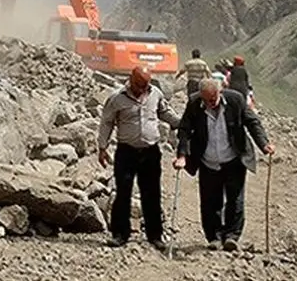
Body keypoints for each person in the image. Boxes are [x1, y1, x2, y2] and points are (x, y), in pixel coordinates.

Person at [173, 77, 275, 251]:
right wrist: (182, 155)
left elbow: (252, 122)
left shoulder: (236, 100)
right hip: (207, 160)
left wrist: (264, 144)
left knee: (235, 199)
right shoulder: (195, 103)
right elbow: (184, 129)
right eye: (205, 100)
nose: (209, 103)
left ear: (220, 92)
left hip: (233, 158)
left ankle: (232, 236)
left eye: (212, 99)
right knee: (209, 201)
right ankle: (214, 236)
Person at [97, 65, 182, 251]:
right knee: (123, 192)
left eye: (145, 85)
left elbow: (164, 112)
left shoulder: (155, 94)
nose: (142, 89)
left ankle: (155, 236)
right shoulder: (117, 98)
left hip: (150, 152)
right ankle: (120, 234)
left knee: (152, 193)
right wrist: (102, 147)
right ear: (131, 80)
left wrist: (181, 124)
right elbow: (107, 122)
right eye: (138, 85)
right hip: (126, 152)